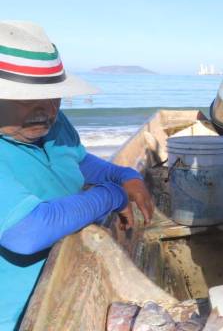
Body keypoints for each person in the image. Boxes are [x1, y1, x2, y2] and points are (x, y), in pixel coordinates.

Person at [0, 21, 154, 328]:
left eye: (54, 96)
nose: (47, 110)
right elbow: (26, 233)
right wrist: (110, 195)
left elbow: (79, 161)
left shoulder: (55, 125)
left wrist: (124, 175)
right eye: (27, 99)